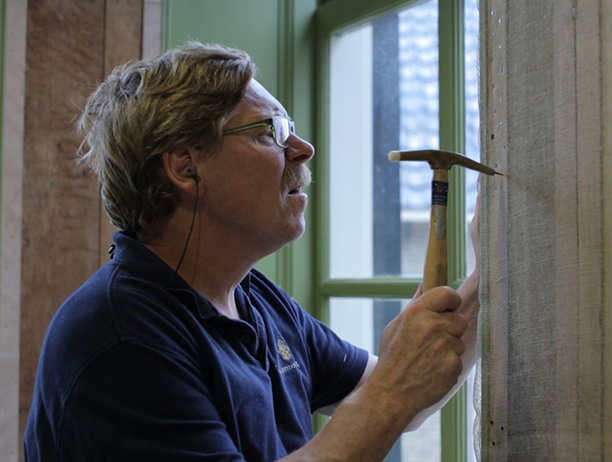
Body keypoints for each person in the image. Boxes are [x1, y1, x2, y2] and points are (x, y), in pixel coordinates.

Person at [23, 42, 480, 461]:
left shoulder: (254, 298)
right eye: (271, 132)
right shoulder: (120, 338)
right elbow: (394, 394)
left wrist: (490, 274)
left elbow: (414, 392)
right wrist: (392, 393)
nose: (303, 149)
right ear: (186, 166)